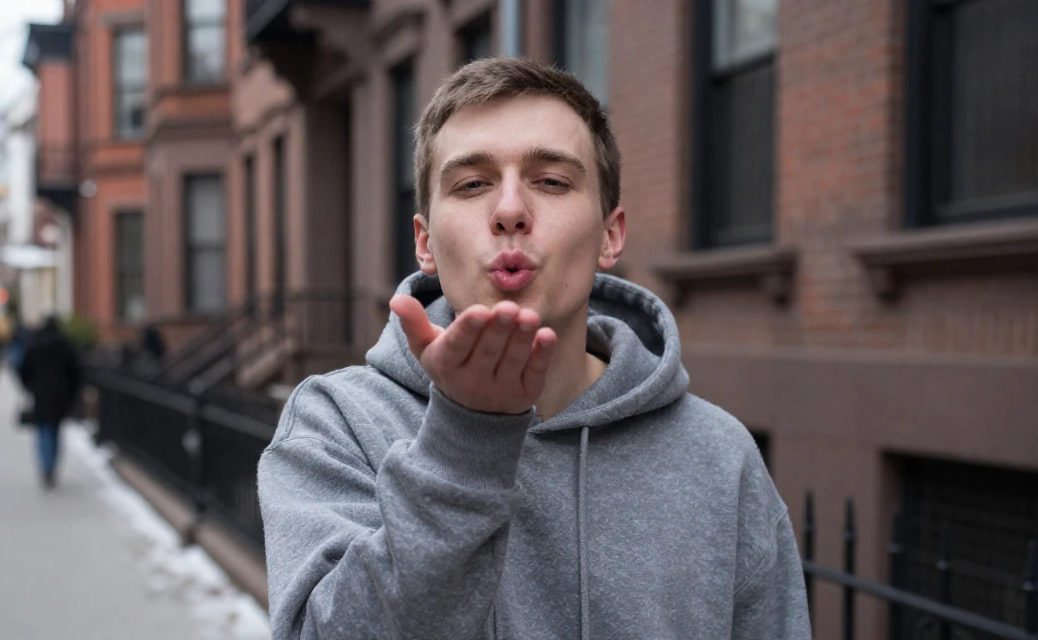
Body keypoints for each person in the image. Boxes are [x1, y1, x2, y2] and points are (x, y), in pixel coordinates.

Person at [257, 58, 810, 639]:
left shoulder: (719, 457)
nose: (511, 211)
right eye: (472, 184)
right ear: (424, 243)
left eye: (551, 181)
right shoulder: (335, 425)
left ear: (610, 234)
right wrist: (464, 442)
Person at [19, 317, 82, 490]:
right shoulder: (65, 346)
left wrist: (30, 387)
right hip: (60, 396)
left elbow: (24, 370)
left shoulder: (35, 346)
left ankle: (46, 466)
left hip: (41, 396)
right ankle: (51, 466)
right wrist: (72, 394)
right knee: (54, 431)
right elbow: (76, 373)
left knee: (43, 431)